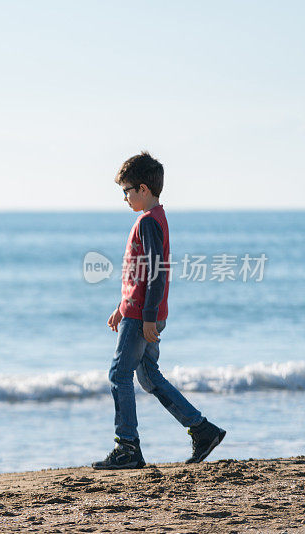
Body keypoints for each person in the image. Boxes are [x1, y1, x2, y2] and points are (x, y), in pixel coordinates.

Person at [92, 152, 226, 470]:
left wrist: (146, 316)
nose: (124, 198)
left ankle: (127, 446)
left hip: (144, 316)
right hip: (139, 311)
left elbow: (156, 271)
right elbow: (140, 274)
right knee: (149, 377)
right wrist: (122, 308)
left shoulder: (149, 222)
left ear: (142, 188)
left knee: (118, 375)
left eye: (127, 191)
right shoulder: (155, 218)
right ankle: (203, 430)